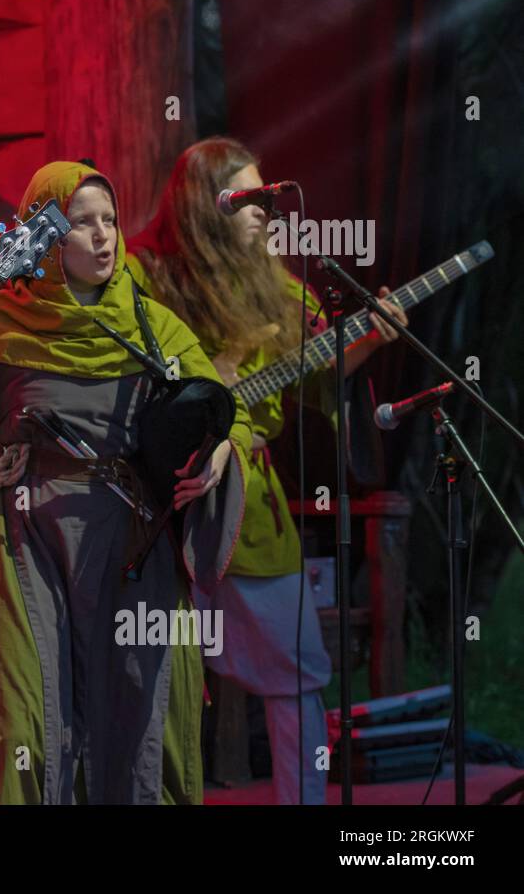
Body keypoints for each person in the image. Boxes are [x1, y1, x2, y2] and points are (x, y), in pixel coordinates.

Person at [0, 161, 252, 804]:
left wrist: (221, 454)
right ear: (46, 234)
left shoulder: (155, 326)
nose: (103, 236)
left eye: (109, 220)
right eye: (82, 223)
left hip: (132, 539)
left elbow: (225, 414)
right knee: (22, 719)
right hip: (25, 536)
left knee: (140, 719)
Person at [126, 136, 408, 804]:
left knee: (299, 668)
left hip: (250, 502)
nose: (265, 212)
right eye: (249, 199)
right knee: (147, 669)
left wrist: (368, 338)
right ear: (205, 203)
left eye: (266, 198)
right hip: (151, 505)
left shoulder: (277, 286)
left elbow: (317, 373)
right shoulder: (143, 276)